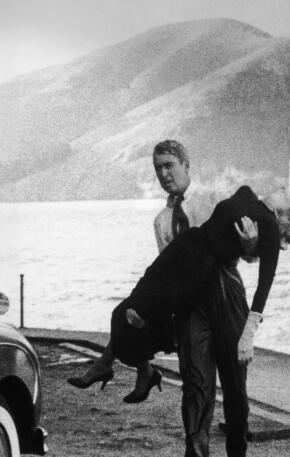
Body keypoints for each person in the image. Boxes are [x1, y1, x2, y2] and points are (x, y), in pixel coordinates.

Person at [108, 183, 290, 457]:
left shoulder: (261, 219)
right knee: (196, 387)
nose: (280, 189)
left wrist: (250, 250)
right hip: (193, 295)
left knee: (234, 388)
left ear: (285, 212)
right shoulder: (227, 198)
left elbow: (261, 271)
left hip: (226, 293)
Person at [66, 140, 256, 401]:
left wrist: (249, 244)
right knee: (129, 319)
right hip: (187, 305)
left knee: (235, 386)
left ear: (186, 165)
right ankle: (141, 370)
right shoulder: (162, 220)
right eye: (158, 169)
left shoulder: (215, 200)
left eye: (169, 166)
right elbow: (166, 274)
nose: (164, 174)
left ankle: (121, 367)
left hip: (223, 298)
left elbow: (249, 256)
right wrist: (153, 311)